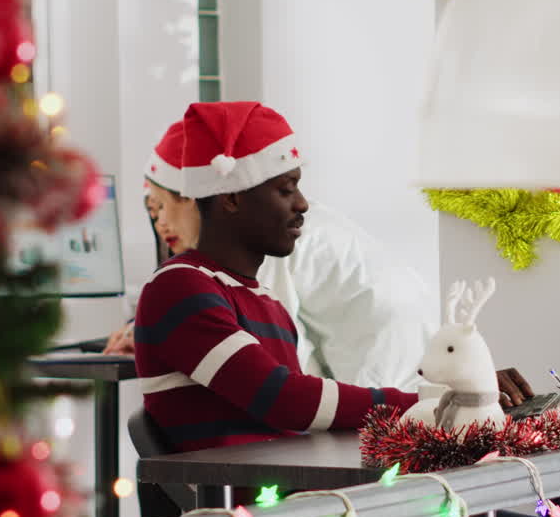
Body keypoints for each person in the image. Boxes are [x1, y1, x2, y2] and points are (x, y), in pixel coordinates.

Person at [134, 101, 534, 452]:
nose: (303, 204)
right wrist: (436, 400)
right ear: (232, 198)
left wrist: (457, 398)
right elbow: (285, 399)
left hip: (303, 502)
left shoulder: (265, 299)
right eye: (285, 189)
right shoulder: (178, 287)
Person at [106, 120, 449, 394]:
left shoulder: (263, 239)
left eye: (161, 206)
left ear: (198, 198)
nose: (160, 223)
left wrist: (157, 336)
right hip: (410, 369)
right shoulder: (287, 223)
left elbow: (272, 356)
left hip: (385, 381)